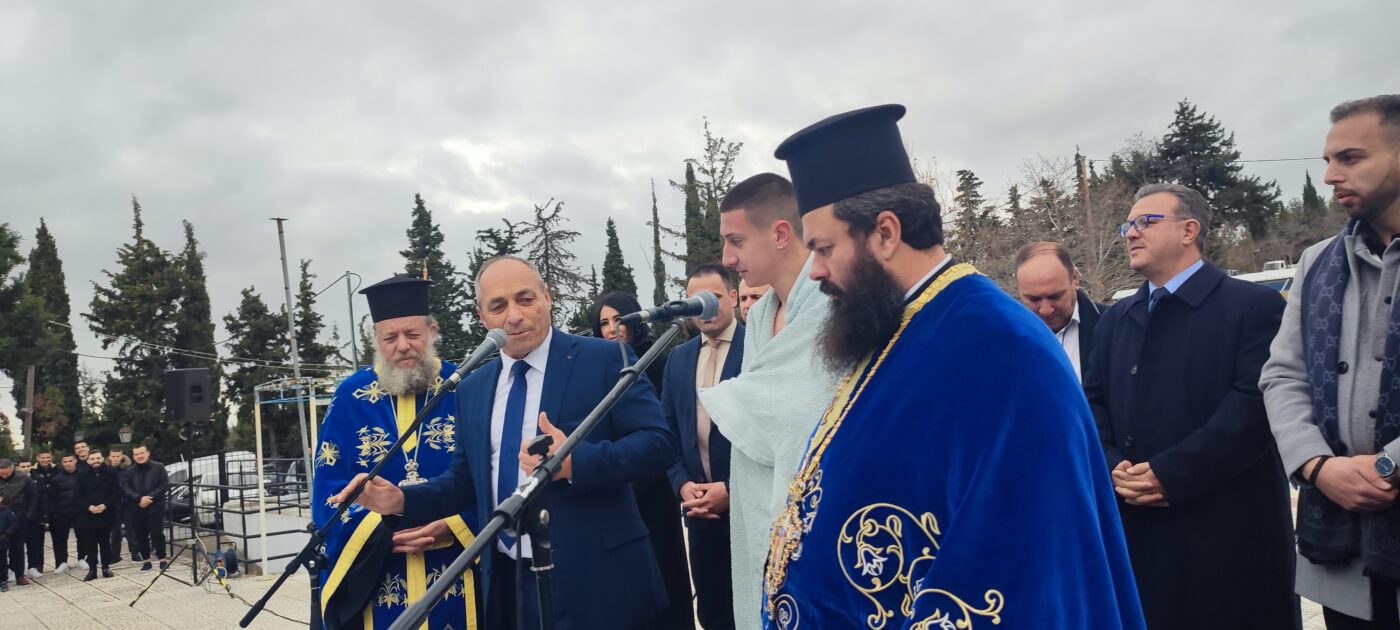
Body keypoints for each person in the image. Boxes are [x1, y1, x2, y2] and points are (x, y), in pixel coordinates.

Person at [760, 104, 1143, 628]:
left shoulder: (1001, 348)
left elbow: (1017, 565)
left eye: (824, 249)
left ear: (886, 232)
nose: (815, 272)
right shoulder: (897, 324)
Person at [337, 256, 675, 629]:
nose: (514, 316)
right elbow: (464, 481)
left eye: (525, 299)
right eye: (498, 306)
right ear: (482, 317)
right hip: (509, 581)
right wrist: (401, 500)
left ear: (547, 297)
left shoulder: (604, 358)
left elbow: (658, 443)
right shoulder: (473, 388)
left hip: (599, 583)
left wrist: (575, 462)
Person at [1087, 182, 1294, 628]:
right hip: (1139, 530)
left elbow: (1253, 408)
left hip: (1229, 538)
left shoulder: (1253, 306)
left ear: (1189, 230)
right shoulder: (1115, 320)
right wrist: (1113, 465)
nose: (1131, 233)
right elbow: (1092, 404)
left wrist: (1170, 473)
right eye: (1128, 225)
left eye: (1146, 222)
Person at [1261, 94, 1400, 628]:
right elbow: (1282, 374)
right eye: (1327, 160)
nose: (1329, 175)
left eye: (1350, 158)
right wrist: (1317, 466)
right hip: (1345, 557)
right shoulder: (1316, 262)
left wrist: (1388, 466)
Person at [697, 172, 844, 625]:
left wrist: (736, 399)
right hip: (756, 512)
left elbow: (805, 415)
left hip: (818, 516)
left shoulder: (834, 305)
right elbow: (762, 411)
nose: (727, 258)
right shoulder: (759, 316)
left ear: (781, 234)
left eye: (736, 241)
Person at [311, 275, 481, 630]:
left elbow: (492, 477)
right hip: (376, 573)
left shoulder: (466, 387)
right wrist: (383, 527)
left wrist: (454, 525)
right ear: (376, 340)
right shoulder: (349, 397)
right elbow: (329, 486)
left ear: (432, 331)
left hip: (460, 565)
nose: (403, 346)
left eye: (413, 334)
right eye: (390, 338)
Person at [588, 290, 695, 629]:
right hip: (616, 486)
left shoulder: (658, 362)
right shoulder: (595, 369)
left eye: (618, 320)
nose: (612, 329)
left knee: (664, 571)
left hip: (655, 486)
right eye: (604, 323)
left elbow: (664, 429)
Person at [663, 264, 744, 630]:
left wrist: (732, 490)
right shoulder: (678, 359)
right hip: (699, 512)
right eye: (696, 301)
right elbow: (666, 428)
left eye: (713, 298)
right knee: (712, 612)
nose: (704, 308)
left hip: (748, 509)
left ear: (733, 297)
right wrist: (682, 483)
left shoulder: (758, 348)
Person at [1014, 241, 1105, 381]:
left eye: (1055, 297)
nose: (1046, 310)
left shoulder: (1114, 326)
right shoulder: (1007, 339)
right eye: (1034, 299)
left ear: (1075, 279)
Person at [123, 444, 168, 572]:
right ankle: (146, 561)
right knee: (140, 535)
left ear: (148, 453)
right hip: (137, 507)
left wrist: (149, 498)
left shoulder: (159, 467)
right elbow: (126, 488)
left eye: (141, 453)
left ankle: (163, 560)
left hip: (155, 506)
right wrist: (139, 499)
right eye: (136, 454)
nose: (139, 456)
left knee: (157, 533)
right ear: (133, 456)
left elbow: (163, 485)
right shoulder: (130, 471)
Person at [75, 451, 118, 581]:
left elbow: (115, 493)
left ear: (103, 459)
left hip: (106, 512)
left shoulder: (111, 473)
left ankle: (106, 567)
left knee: (105, 542)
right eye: (92, 459)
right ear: (88, 461)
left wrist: (105, 505)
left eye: (98, 458)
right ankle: (92, 569)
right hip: (88, 514)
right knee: (90, 543)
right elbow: (77, 495)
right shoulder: (81, 474)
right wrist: (89, 507)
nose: (96, 461)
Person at [0, 458, 35, 586]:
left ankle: (19, 575)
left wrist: (29, 514)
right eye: (1, 474)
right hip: (1, 518)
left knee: (18, 547)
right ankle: (2, 577)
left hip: (19, 517)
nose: (4, 476)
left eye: (6, 473)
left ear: (13, 468)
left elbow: (33, 497)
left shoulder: (24, 478)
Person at [48, 453, 80, 575]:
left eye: (70, 461)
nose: (68, 464)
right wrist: (54, 513)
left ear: (75, 461)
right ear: (62, 463)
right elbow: (51, 498)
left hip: (79, 511)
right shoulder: (56, 479)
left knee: (83, 537)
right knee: (60, 539)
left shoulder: (82, 476)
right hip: (61, 513)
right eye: (65, 461)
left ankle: (83, 558)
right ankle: (61, 562)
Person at [27, 451, 55, 578]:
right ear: (37, 458)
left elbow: (42, 497)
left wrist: (44, 515)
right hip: (20, 514)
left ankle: (38, 566)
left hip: (38, 514)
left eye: (48, 457)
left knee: (38, 543)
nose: (45, 459)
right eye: (42, 457)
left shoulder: (37, 477)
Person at [107, 447, 135, 563]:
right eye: (113, 456)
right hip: (113, 504)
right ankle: (115, 555)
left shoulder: (128, 470)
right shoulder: (106, 470)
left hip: (127, 503)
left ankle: (135, 553)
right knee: (115, 532)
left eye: (118, 456)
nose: (115, 459)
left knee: (131, 529)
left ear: (122, 457)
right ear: (109, 457)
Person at [0, 493, 15, 592]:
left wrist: (6, 534)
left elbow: (13, 523)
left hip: (2, 540)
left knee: (3, 562)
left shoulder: (7, 512)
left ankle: (3, 581)